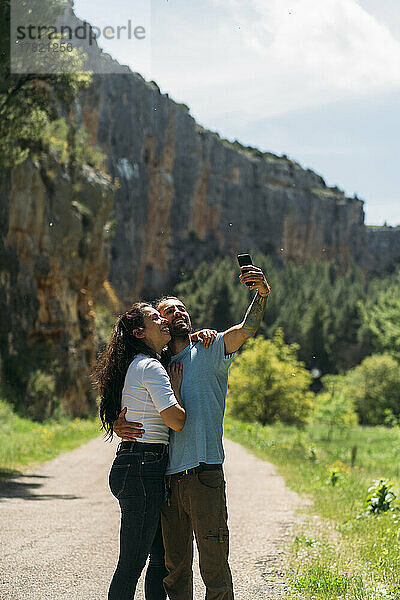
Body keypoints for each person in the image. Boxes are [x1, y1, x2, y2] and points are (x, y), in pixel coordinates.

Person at [113, 264, 271, 600]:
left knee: (214, 568)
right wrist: (115, 421)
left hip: (204, 473)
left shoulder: (211, 348)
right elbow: (129, 397)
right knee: (175, 571)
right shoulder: (157, 364)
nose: (179, 312)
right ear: (161, 324)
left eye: (182, 307)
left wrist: (261, 295)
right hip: (167, 480)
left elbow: (246, 329)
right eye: (169, 311)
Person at [93, 301, 186, 600]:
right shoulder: (150, 366)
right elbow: (176, 421)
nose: (163, 321)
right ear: (139, 333)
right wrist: (177, 388)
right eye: (155, 318)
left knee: (157, 560)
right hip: (143, 468)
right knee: (132, 564)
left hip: (141, 465)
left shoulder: (138, 363)